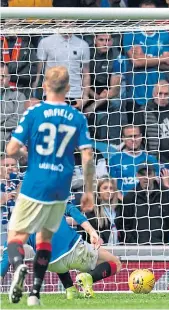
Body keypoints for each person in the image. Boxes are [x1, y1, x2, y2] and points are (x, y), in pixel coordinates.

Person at [4, 66, 95, 306]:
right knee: (45, 237)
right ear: (67, 88)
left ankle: (18, 267)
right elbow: (87, 155)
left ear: (44, 86)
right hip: (61, 187)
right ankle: (34, 294)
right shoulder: (77, 117)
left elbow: (11, 150)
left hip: (36, 182)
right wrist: (88, 191)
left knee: (16, 236)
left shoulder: (34, 113)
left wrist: (27, 153)